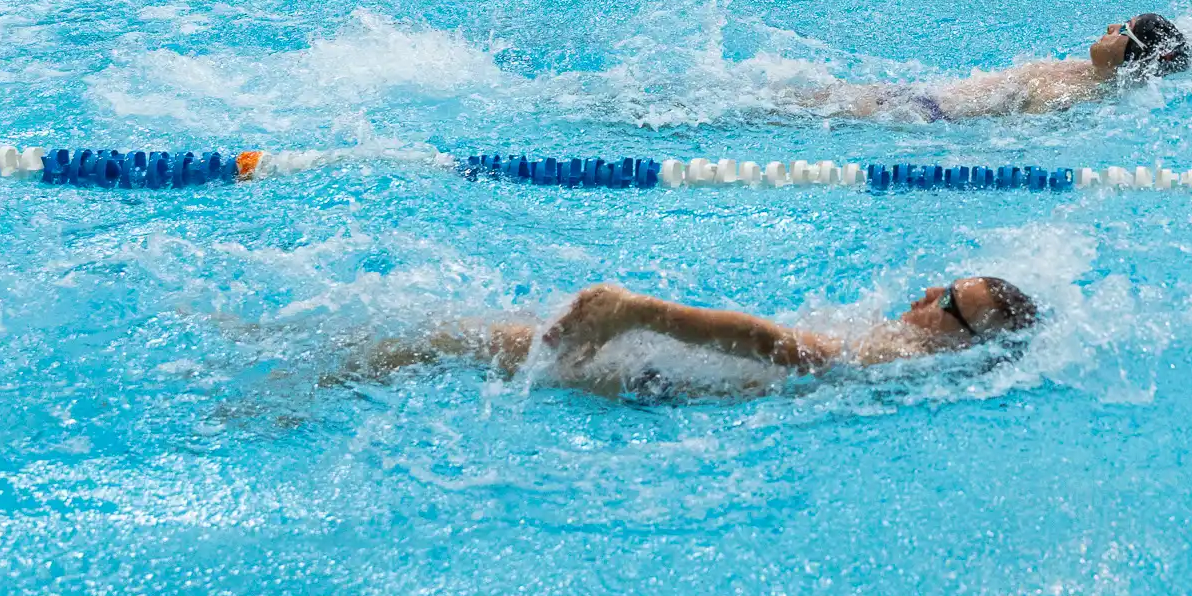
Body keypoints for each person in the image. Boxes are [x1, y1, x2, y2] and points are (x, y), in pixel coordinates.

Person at [345, 273, 1043, 398]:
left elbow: (787, 347)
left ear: (959, 338)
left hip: (658, 373)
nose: (927, 293)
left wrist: (640, 311)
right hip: (672, 378)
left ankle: (320, 379)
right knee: (461, 342)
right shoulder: (917, 360)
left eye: (947, 299)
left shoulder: (900, 352)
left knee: (454, 340)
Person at [809, 12, 1192, 122]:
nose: (1107, 28)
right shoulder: (1099, 79)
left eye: (1117, 31)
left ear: (1131, 54)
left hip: (917, 115)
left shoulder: (1076, 95)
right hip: (914, 100)